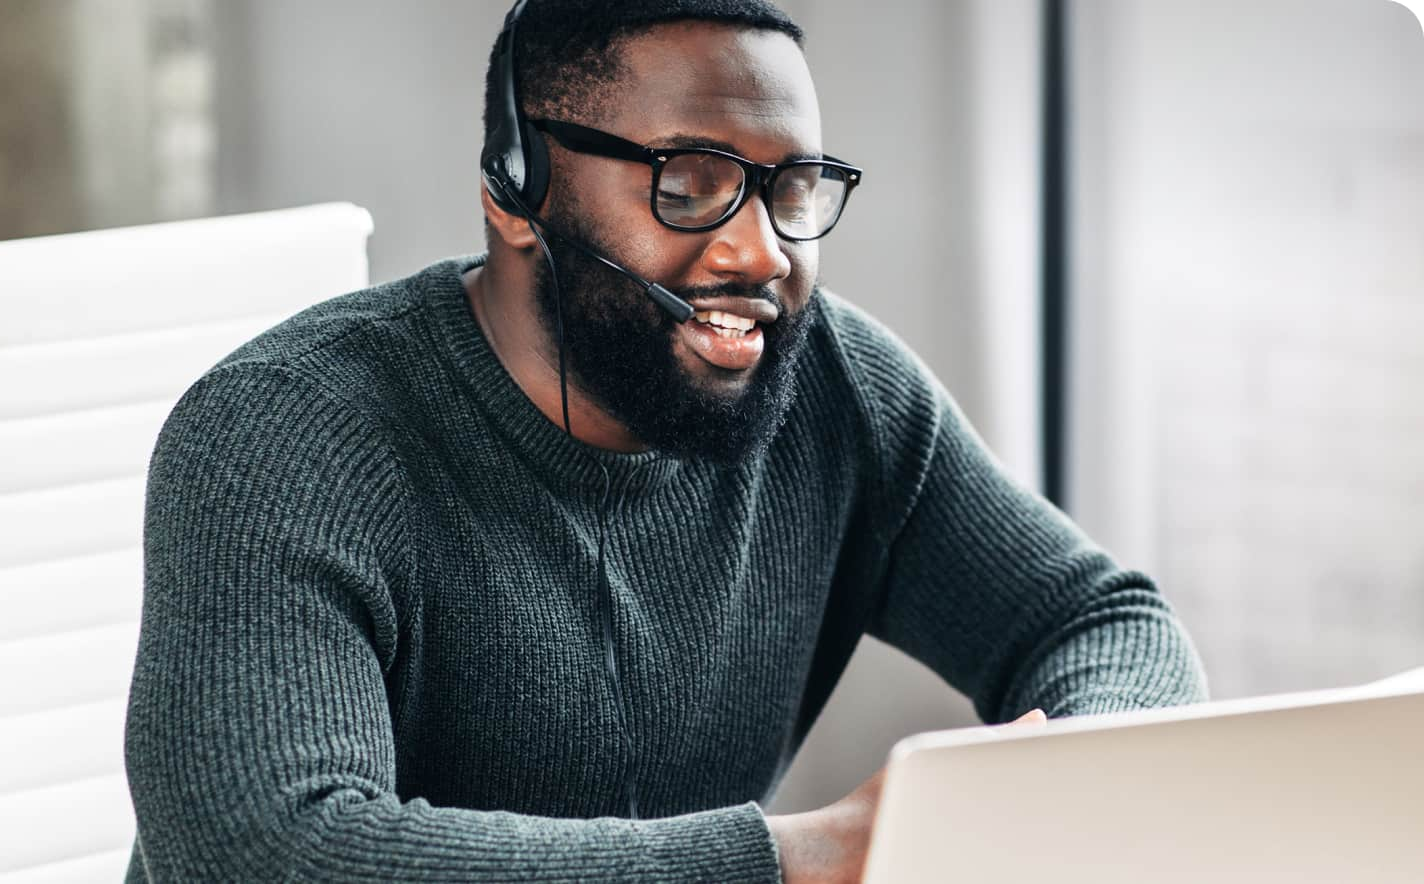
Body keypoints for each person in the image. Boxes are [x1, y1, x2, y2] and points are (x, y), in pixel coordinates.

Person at [122, 1, 1208, 881]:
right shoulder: (286, 431)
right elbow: (268, 852)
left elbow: (1099, 617)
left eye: (791, 189)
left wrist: (1048, 791)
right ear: (516, 187)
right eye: (687, 184)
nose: (760, 251)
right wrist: (788, 860)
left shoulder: (832, 383)